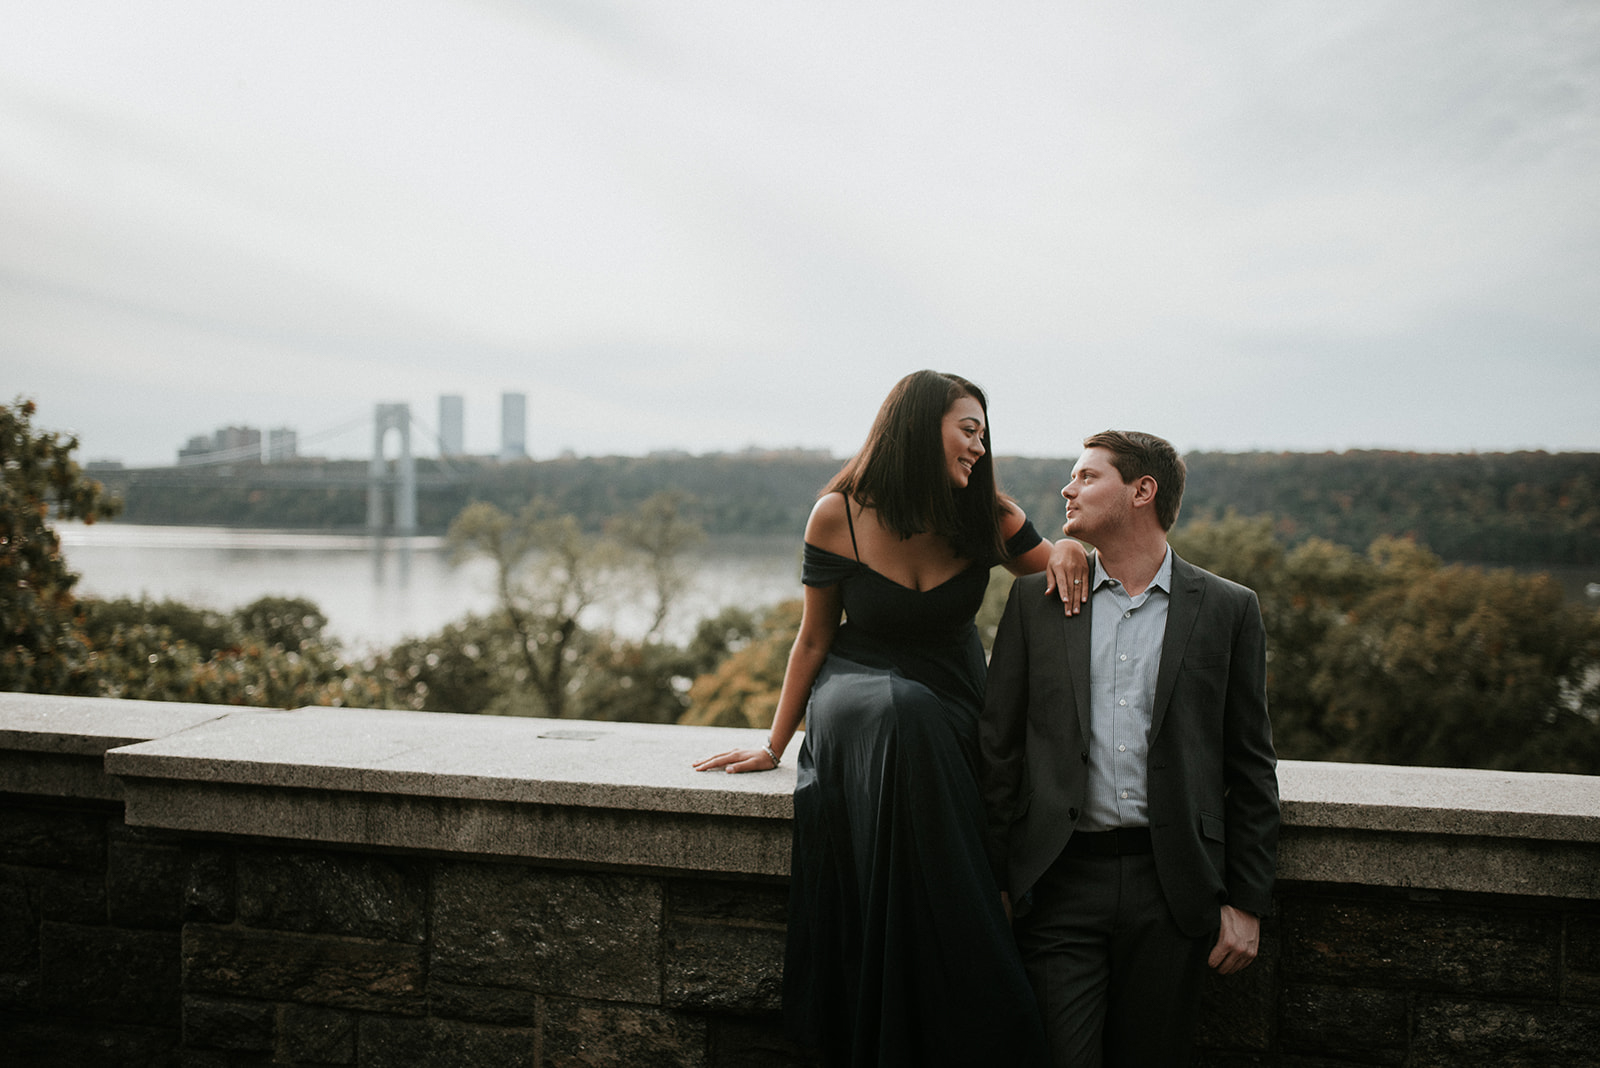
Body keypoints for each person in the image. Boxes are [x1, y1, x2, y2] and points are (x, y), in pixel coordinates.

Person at [695, 370, 1090, 1067]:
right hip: (855, 685)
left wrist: (1065, 546)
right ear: (917, 425)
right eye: (968, 428)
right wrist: (774, 743)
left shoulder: (988, 515)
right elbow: (813, 638)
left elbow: (1054, 572)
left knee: (923, 723)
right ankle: (969, 962)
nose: (979, 444)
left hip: (952, 689)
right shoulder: (836, 513)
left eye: (983, 433)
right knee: (903, 715)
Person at [979, 430, 1280, 1068]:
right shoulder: (1036, 602)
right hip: (1058, 883)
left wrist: (1247, 901)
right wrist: (997, 880)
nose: (1068, 487)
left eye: (1088, 477)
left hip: (1173, 887)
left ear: (1142, 491)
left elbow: (1250, 767)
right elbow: (999, 747)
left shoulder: (1229, 609)